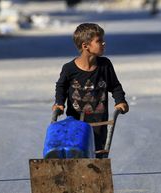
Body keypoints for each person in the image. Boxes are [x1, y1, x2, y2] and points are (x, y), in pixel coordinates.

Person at [52, 23, 129, 158]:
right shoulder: (69, 69)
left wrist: (120, 101)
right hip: (76, 122)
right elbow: (61, 87)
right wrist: (59, 102)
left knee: (98, 153)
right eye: (99, 41)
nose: (103, 43)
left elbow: (115, 86)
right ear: (85, 46)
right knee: (77, 152)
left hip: (99, 121)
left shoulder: (105, 65)